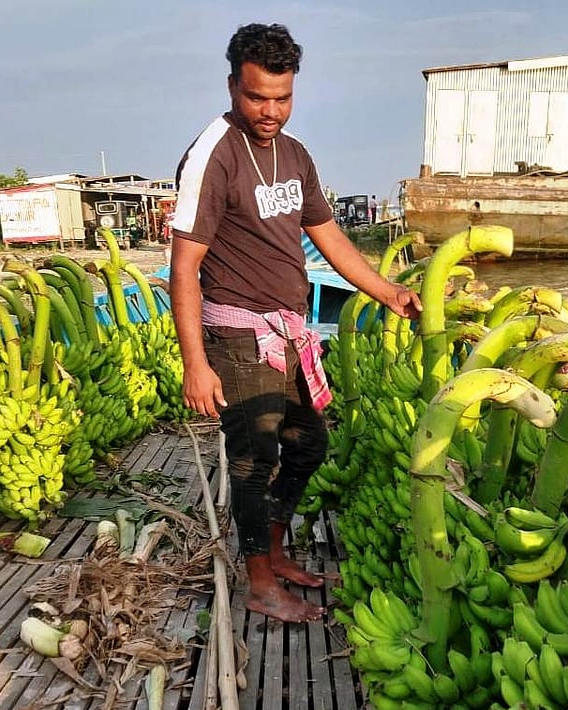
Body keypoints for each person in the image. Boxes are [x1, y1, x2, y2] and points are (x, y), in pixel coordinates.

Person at [168, 23, 423, 623]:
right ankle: (259, 583)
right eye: (257, 97)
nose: (271, 111)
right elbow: (183, 268)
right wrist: (195, 364)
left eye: (282, 98)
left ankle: (275, 552)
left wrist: (387, 291)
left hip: (291, 332)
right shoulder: (213, 156)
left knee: (309, 445)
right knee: (253, 460)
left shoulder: (295, 154)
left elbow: (327, 234)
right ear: (233, 86)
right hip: (238, 335)